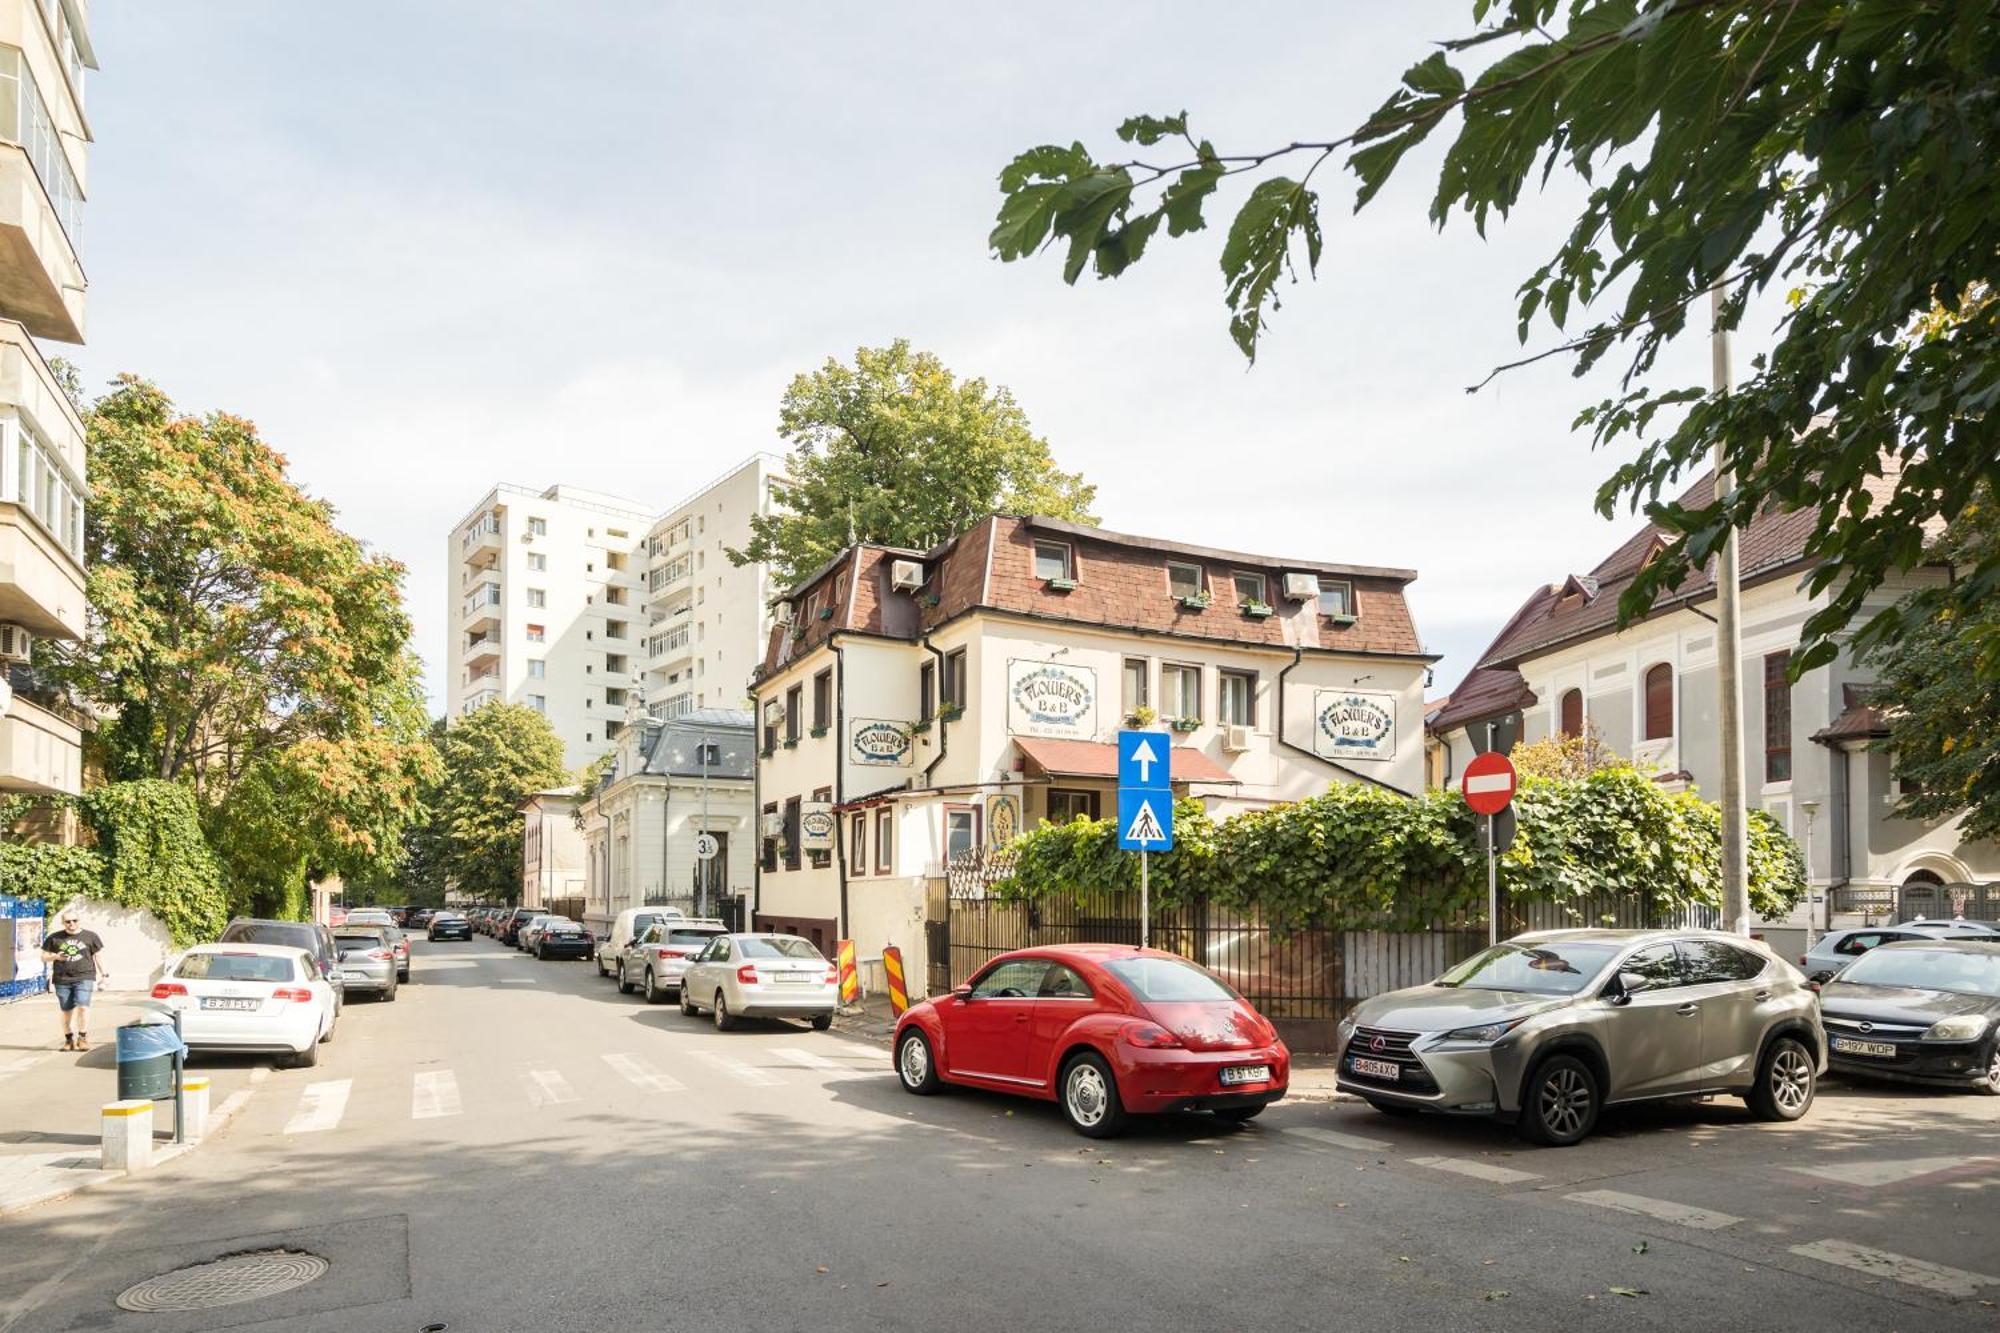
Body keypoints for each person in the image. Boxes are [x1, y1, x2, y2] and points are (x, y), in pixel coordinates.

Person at [40, 909, 107, 1051]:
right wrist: (56, 957)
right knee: (66, 1010)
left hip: (85, 976)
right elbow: (44, 957)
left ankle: (82, 1038)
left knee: (83, 1006)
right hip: (62, 978)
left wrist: (104, 974)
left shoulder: (90, 936)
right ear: (63, 923)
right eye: (68, 921)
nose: (71, 924)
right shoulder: (54, 938)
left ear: (79, 921)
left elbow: (98, 956)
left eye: (74, 921)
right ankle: (69, 1039)